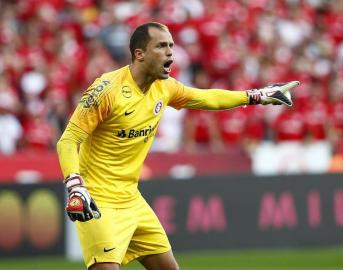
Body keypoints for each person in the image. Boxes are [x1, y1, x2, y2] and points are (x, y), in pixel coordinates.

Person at [56, 22, 299, 270]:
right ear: (139, 54)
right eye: (161, 46)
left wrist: (256, 95)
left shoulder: (165, 88)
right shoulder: (106, 90)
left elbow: (206, 98)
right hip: (98, 199)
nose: (170, 52)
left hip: (131, 199)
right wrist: (76, 187)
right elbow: (67, 140)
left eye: (171, 45)